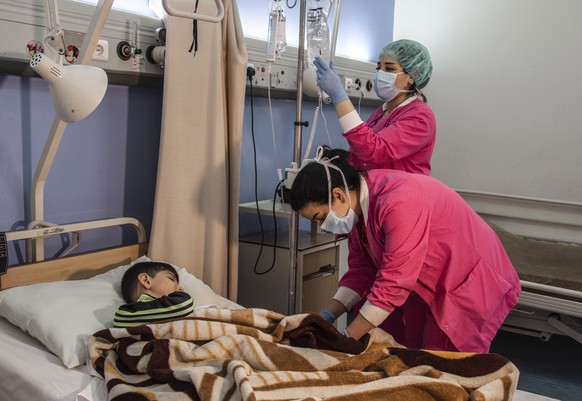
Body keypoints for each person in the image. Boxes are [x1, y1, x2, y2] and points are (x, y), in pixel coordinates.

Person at [290, 146, 521, 353]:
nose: (322, 226)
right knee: (411, 352)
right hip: (424, 283)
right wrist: (325, 316)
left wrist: (345, 338)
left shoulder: (398, 202)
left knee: (442, 363)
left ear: (337, 195)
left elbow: (393, 283)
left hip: (467, 281)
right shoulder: (357, 208)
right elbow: (362, 269)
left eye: (319, 218)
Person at [313, 39, 436, 175]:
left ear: (413, 76)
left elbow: (372, 150)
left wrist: (339, 96)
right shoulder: (383, 112)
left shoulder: (420, 116)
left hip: (400, 193)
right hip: (374, 191)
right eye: (379, 68)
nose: (380, 74)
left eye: (389, 69)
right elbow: (360, 155)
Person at [113, 261, 195, 328]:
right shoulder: (127, 314)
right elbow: (184, 305)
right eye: (171, 278)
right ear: (146, 281)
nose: (181, 288)